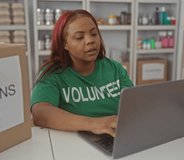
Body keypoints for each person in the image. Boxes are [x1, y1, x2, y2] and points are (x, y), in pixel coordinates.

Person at [31, 9, 133, 137]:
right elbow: (40, 114)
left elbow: (133, 104)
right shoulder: (52, 75)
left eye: (94, 34)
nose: (90, 40)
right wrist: (95, 124)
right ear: (65, 44)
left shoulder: (114, 68)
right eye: (79, 37)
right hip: (73, 144)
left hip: (116, 138)